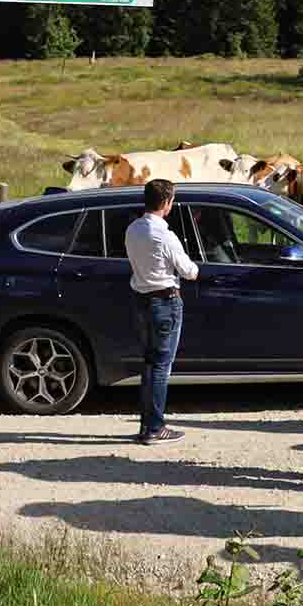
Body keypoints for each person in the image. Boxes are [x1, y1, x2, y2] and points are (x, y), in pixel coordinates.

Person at [124, 178, 201, 445]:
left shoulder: (133, 229)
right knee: (161, 367)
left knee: (149, 363)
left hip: (141, 300)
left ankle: (147, 423)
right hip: (165, 302)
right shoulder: (165, 236)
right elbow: (189, 272)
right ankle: (154, 427)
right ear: (167, 203)